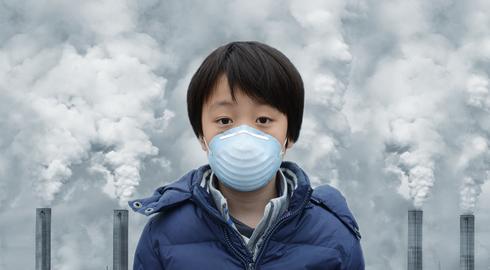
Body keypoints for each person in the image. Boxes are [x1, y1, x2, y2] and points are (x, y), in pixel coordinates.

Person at [128, 41, 365, 269]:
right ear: (201, 135)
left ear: (289, 135)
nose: (244, 137)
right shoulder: (165, 234)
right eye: (224, 121)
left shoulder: (334, 235)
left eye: (263, 120)